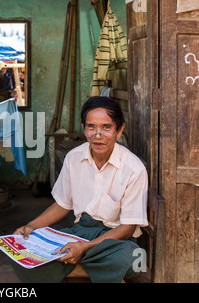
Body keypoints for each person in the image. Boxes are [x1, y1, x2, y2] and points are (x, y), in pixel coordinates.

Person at [11, 96, 148, 283]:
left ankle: (67, 269)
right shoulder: (74, 158)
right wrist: (32, 226)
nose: (97, 135)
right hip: (80, 232)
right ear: (84, 127)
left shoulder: (134, 168)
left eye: (106, 128)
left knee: (132, 258)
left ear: (119, 129)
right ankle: (100, 273)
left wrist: (84, 248)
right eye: (91, 127)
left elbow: (127, 228)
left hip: (114, 239)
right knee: (21, 254)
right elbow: (62, 204)